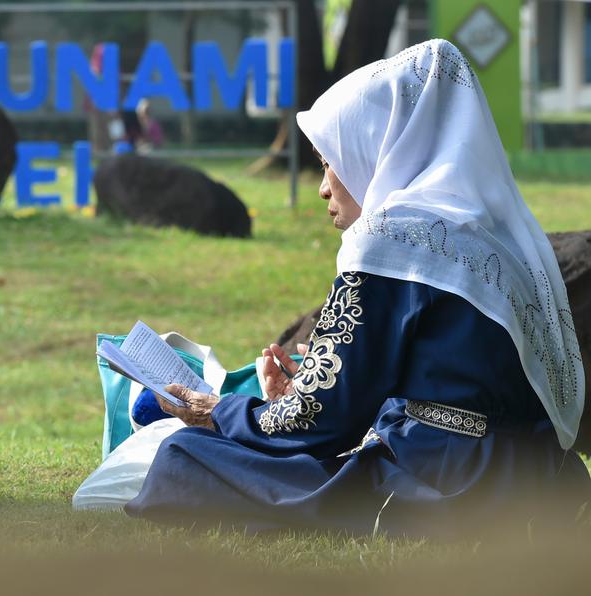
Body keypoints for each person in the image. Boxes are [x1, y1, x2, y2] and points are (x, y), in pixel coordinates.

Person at [116, 40, 591, 537]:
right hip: (534, 479)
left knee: (183, 456)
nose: (324, 187)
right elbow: (432, 390)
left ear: (377, 148)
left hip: (446, 486)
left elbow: (324, 422)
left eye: (329, 161)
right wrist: (296, 396)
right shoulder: (492, 238)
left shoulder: (393, 238)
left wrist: (219, 411)